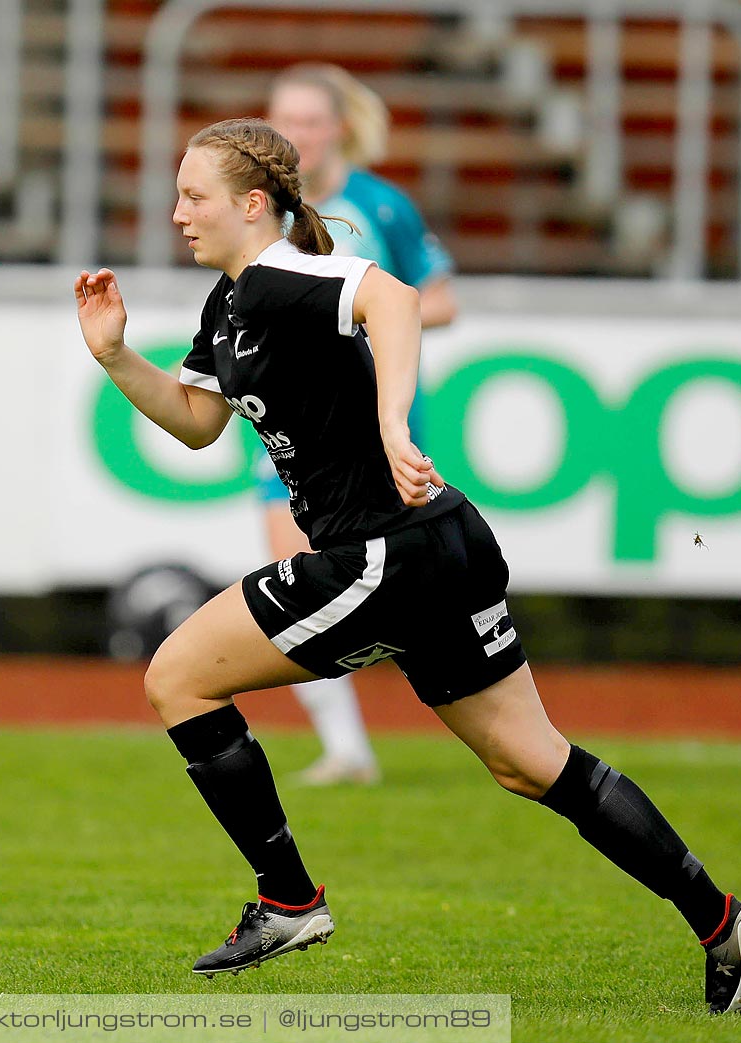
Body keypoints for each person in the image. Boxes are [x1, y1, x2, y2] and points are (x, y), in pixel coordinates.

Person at [73, 117, 741, 1014]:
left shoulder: (284, 272)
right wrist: (115, 354)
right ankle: (722, 921)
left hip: (382, 555)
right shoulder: (231, 302)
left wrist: (396, 423)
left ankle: (288, 899)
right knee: (531, 762)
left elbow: (393, 296)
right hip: (442, 544)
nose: (177, 213)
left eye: (193, 195)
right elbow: (200, 423)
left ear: (252, 204)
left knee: (176, 677)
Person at [259, 63, 461, 786]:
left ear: (338, 127)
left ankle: (488, 712)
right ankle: (348, 747)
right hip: (290, 425)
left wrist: (359, 316)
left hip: (376, 422)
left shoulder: (381, 206)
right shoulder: (262, 210)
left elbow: (435, 300)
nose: (298, 136)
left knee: (409, 587)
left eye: (310, 121)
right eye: (285, 121)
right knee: (290, 577)